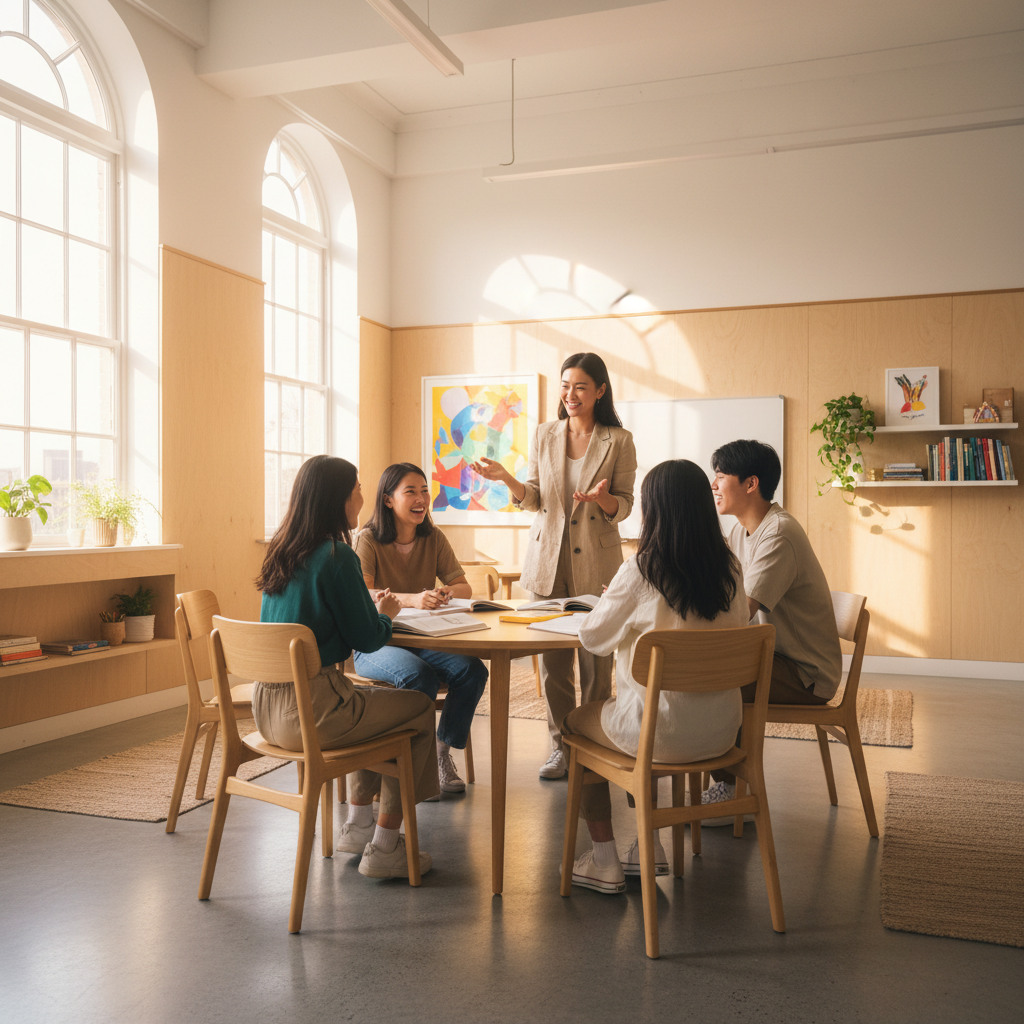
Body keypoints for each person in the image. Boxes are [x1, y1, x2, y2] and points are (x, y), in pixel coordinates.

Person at [562, 459, 750, 893]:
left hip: (657, 736)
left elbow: (593, 638)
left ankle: (605, 858)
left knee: (575, 725)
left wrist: (612, 605)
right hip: (721, 734)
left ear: (655, 509)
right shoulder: (732, 569)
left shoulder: (642, 568)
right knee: (642, 720)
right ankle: (649, 848)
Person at [255, 455, 439, 879]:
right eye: (356, 488)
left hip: (268, 710)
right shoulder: (337, 556)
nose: (362, 495)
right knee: (417, 709)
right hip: (314, 712)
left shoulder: (281, 552)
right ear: (337, 498)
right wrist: (387, 611)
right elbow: (369, 639)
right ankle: (386, 845)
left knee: (379, 702)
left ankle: (358, 826)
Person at [472, 352, 637, 780]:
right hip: (547, 560)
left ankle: (595, 742)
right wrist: (508, 480)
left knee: (596, 659)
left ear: (600, 390)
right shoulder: (545, 434)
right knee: (553, 665)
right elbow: (535, 498)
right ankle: (561, 746)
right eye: (565, 386)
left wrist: (604, 499)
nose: (570, 394)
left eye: (580, 386)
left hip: (598, 562)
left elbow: (625, 506)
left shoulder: (619, 440)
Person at [705, 438, 841, 812]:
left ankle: (735, 794)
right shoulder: (740, 531)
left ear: (751, 483)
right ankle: (726, 782)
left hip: (804, 672)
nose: (713, 485)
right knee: (708, 673)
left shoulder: (777, 533)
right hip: (775, 656)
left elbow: (738, 612)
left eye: (720, 477)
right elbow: (721, 595)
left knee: (716, 680)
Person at [352, 463, 488, 796]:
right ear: (388, 500)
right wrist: (412, 599)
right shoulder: (367, 539)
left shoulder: (433, 537)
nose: (421, 499)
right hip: (374, 642)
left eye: (424, 490)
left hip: (423, 638)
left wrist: (445, 593)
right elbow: (363, 594)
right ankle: (411, 762)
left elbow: (463, 586)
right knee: (420, 676)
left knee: (472, 670)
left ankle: (440, 753)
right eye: (410, 491)